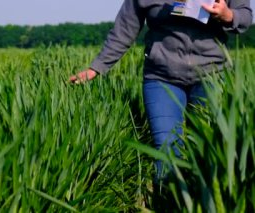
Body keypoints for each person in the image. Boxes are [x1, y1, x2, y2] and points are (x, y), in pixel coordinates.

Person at [69, 0, 252, 209]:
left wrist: (228, 15)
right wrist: (96, 68)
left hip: (212, 76)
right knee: (166, 148)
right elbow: (124, 30)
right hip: (161, 77)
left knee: (206, 151)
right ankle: (167, 205)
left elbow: (245, 17)